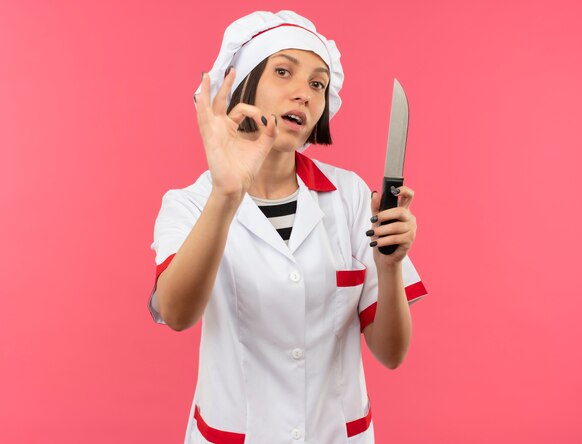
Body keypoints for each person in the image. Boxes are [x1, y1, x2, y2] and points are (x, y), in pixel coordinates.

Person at [148, 10, 427, 444]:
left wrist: (388, 266)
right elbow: (177, 314)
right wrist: (226, 193)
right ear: (245, 85)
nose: (305, 93)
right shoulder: (188, 203)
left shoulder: (353, 197)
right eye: (283, 72)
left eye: (318, 83)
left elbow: (391, 354)